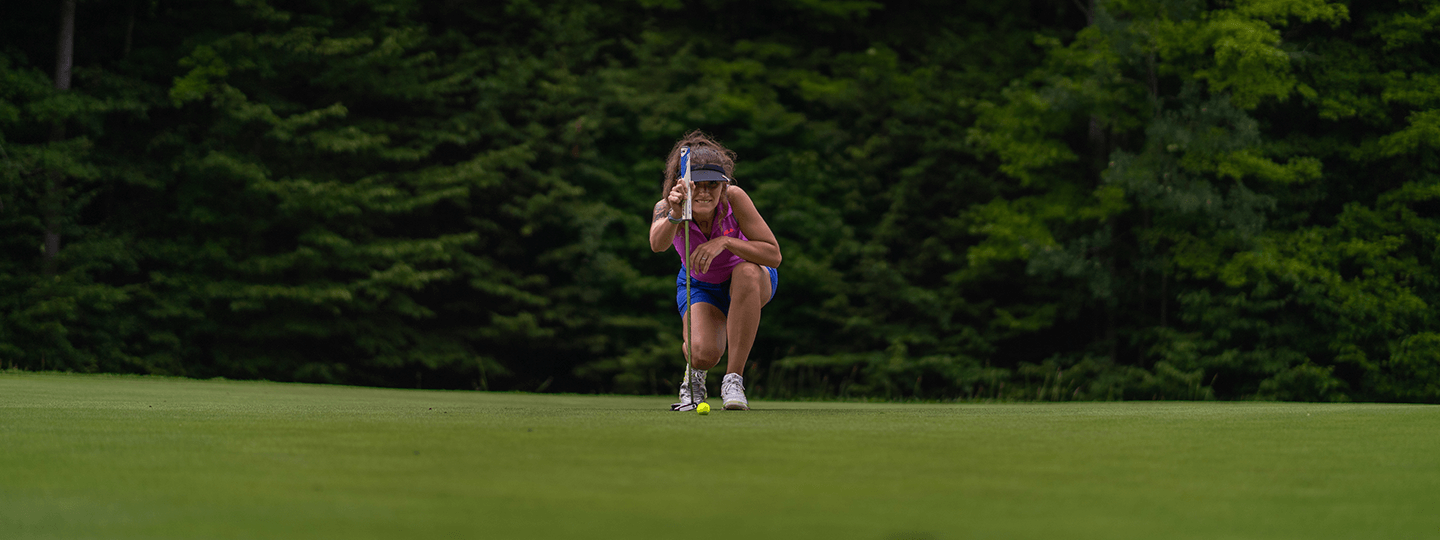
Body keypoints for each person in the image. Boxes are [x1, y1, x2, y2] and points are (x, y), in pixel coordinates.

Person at [648, 131, 781, 411]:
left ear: (723, 186)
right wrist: (674, 213)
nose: (706, 192)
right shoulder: (667, 207)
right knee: (704, 354)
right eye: (698, 185)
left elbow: (773, 255)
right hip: (700, 285)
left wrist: (726, 242)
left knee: (745, 272)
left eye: (713, 185)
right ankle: (694, 377)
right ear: (682, 184)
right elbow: (657, 245)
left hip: (752, 280)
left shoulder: (735, 199)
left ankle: (734, 381)